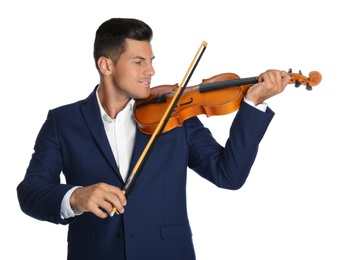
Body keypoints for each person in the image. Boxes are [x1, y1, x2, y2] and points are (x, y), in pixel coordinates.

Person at [17, 18, 290, 260]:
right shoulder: (63, 121)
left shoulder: (175, 115)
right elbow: (30, 191)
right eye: (138, 62)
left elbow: (228, 175)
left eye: (151, 61)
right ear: (106, 65)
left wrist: (253, 104)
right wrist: (76, 197)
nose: (151, 71)